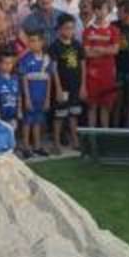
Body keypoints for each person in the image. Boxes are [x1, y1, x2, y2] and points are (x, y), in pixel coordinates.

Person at [49, 14, 85, 153]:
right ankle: (57, 142)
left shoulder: (77, 45)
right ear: (59, 29)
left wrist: (83, 85)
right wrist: (57, 88)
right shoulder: (54, 47)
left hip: (75, 85)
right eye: (66, 28)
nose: (69, 31)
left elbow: (83, 65)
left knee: (74, 113)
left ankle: (75, 140)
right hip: (62, 86)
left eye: (71, 28)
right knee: (60, 114)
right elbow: (54, 68)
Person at [82, 0, 119, 128]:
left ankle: (105, 134)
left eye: (103, 9)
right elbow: (87, 52)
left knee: (106, 106)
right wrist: (106, 50)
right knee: (92, 107)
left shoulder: (113, 29)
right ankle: (92, 136)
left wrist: (99, 49)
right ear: (93, 10)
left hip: (108, 73)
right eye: (97, 9)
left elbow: (115, 50)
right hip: (92, 74)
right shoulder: (88, 30)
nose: (100, 12)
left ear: (108, 10)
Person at [18, 30, 53, 158]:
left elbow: (49, 79)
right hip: (31, 96)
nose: (32, 44)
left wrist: (48, 98)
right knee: (27, 121)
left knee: (38, 121)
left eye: (35, 41)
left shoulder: (47, 59)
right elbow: (24, 79)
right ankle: (26, 146)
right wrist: (26, 98)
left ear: (42, 42)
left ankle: (37, 146)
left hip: (42, 96)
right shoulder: (26, 59)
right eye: (30, 41)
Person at [0, 49, 21, 137]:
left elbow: (19, 96)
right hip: (1, 116)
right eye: (5, 63)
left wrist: (19, 110)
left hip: (13, 116)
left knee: (11, 135)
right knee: (1, 136)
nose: (8, 65)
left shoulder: (15, 79)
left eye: (10, 63)